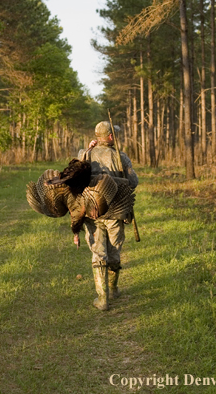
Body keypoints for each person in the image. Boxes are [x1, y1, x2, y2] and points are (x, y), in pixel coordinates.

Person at [77, 121, 139, 311]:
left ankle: (102, 299)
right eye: (115, 134)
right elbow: (133, 182)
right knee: (114, 252)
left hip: (92, 213)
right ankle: (112, 289)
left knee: (98, 253)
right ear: (111, 137)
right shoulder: (121, 157)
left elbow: (75, 175)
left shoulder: (84, 155)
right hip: (116, 213)